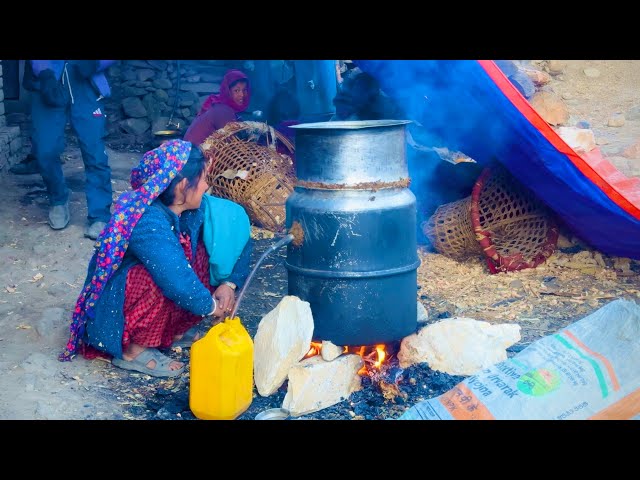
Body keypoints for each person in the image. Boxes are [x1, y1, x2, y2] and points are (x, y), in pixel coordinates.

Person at [58, 139, 253, 378]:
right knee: (155, 275)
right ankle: (133, 351)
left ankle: (174, 332)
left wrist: (228, 283)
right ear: (183, 185)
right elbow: (176, 279)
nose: (205, 186)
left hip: (169, 281)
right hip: (116, 306)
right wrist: (212, 307)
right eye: (202, 179)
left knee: (205, 249)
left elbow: (236, 229)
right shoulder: (147, 219)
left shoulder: (195, 209)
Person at [22, 60, 116, 239]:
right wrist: (44, 73)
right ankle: (58, 199)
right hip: (48, 82)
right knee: (45, 150)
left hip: (85, 83)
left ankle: (100, 214)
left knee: (94, 152)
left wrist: (96, 63)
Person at [183, 69, 251, 145]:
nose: (242, 95)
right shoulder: (222, 110)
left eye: (244, 90)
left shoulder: (222, 105)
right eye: (236, 90)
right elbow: (232, 144)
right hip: (195, 154)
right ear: (227, 91)